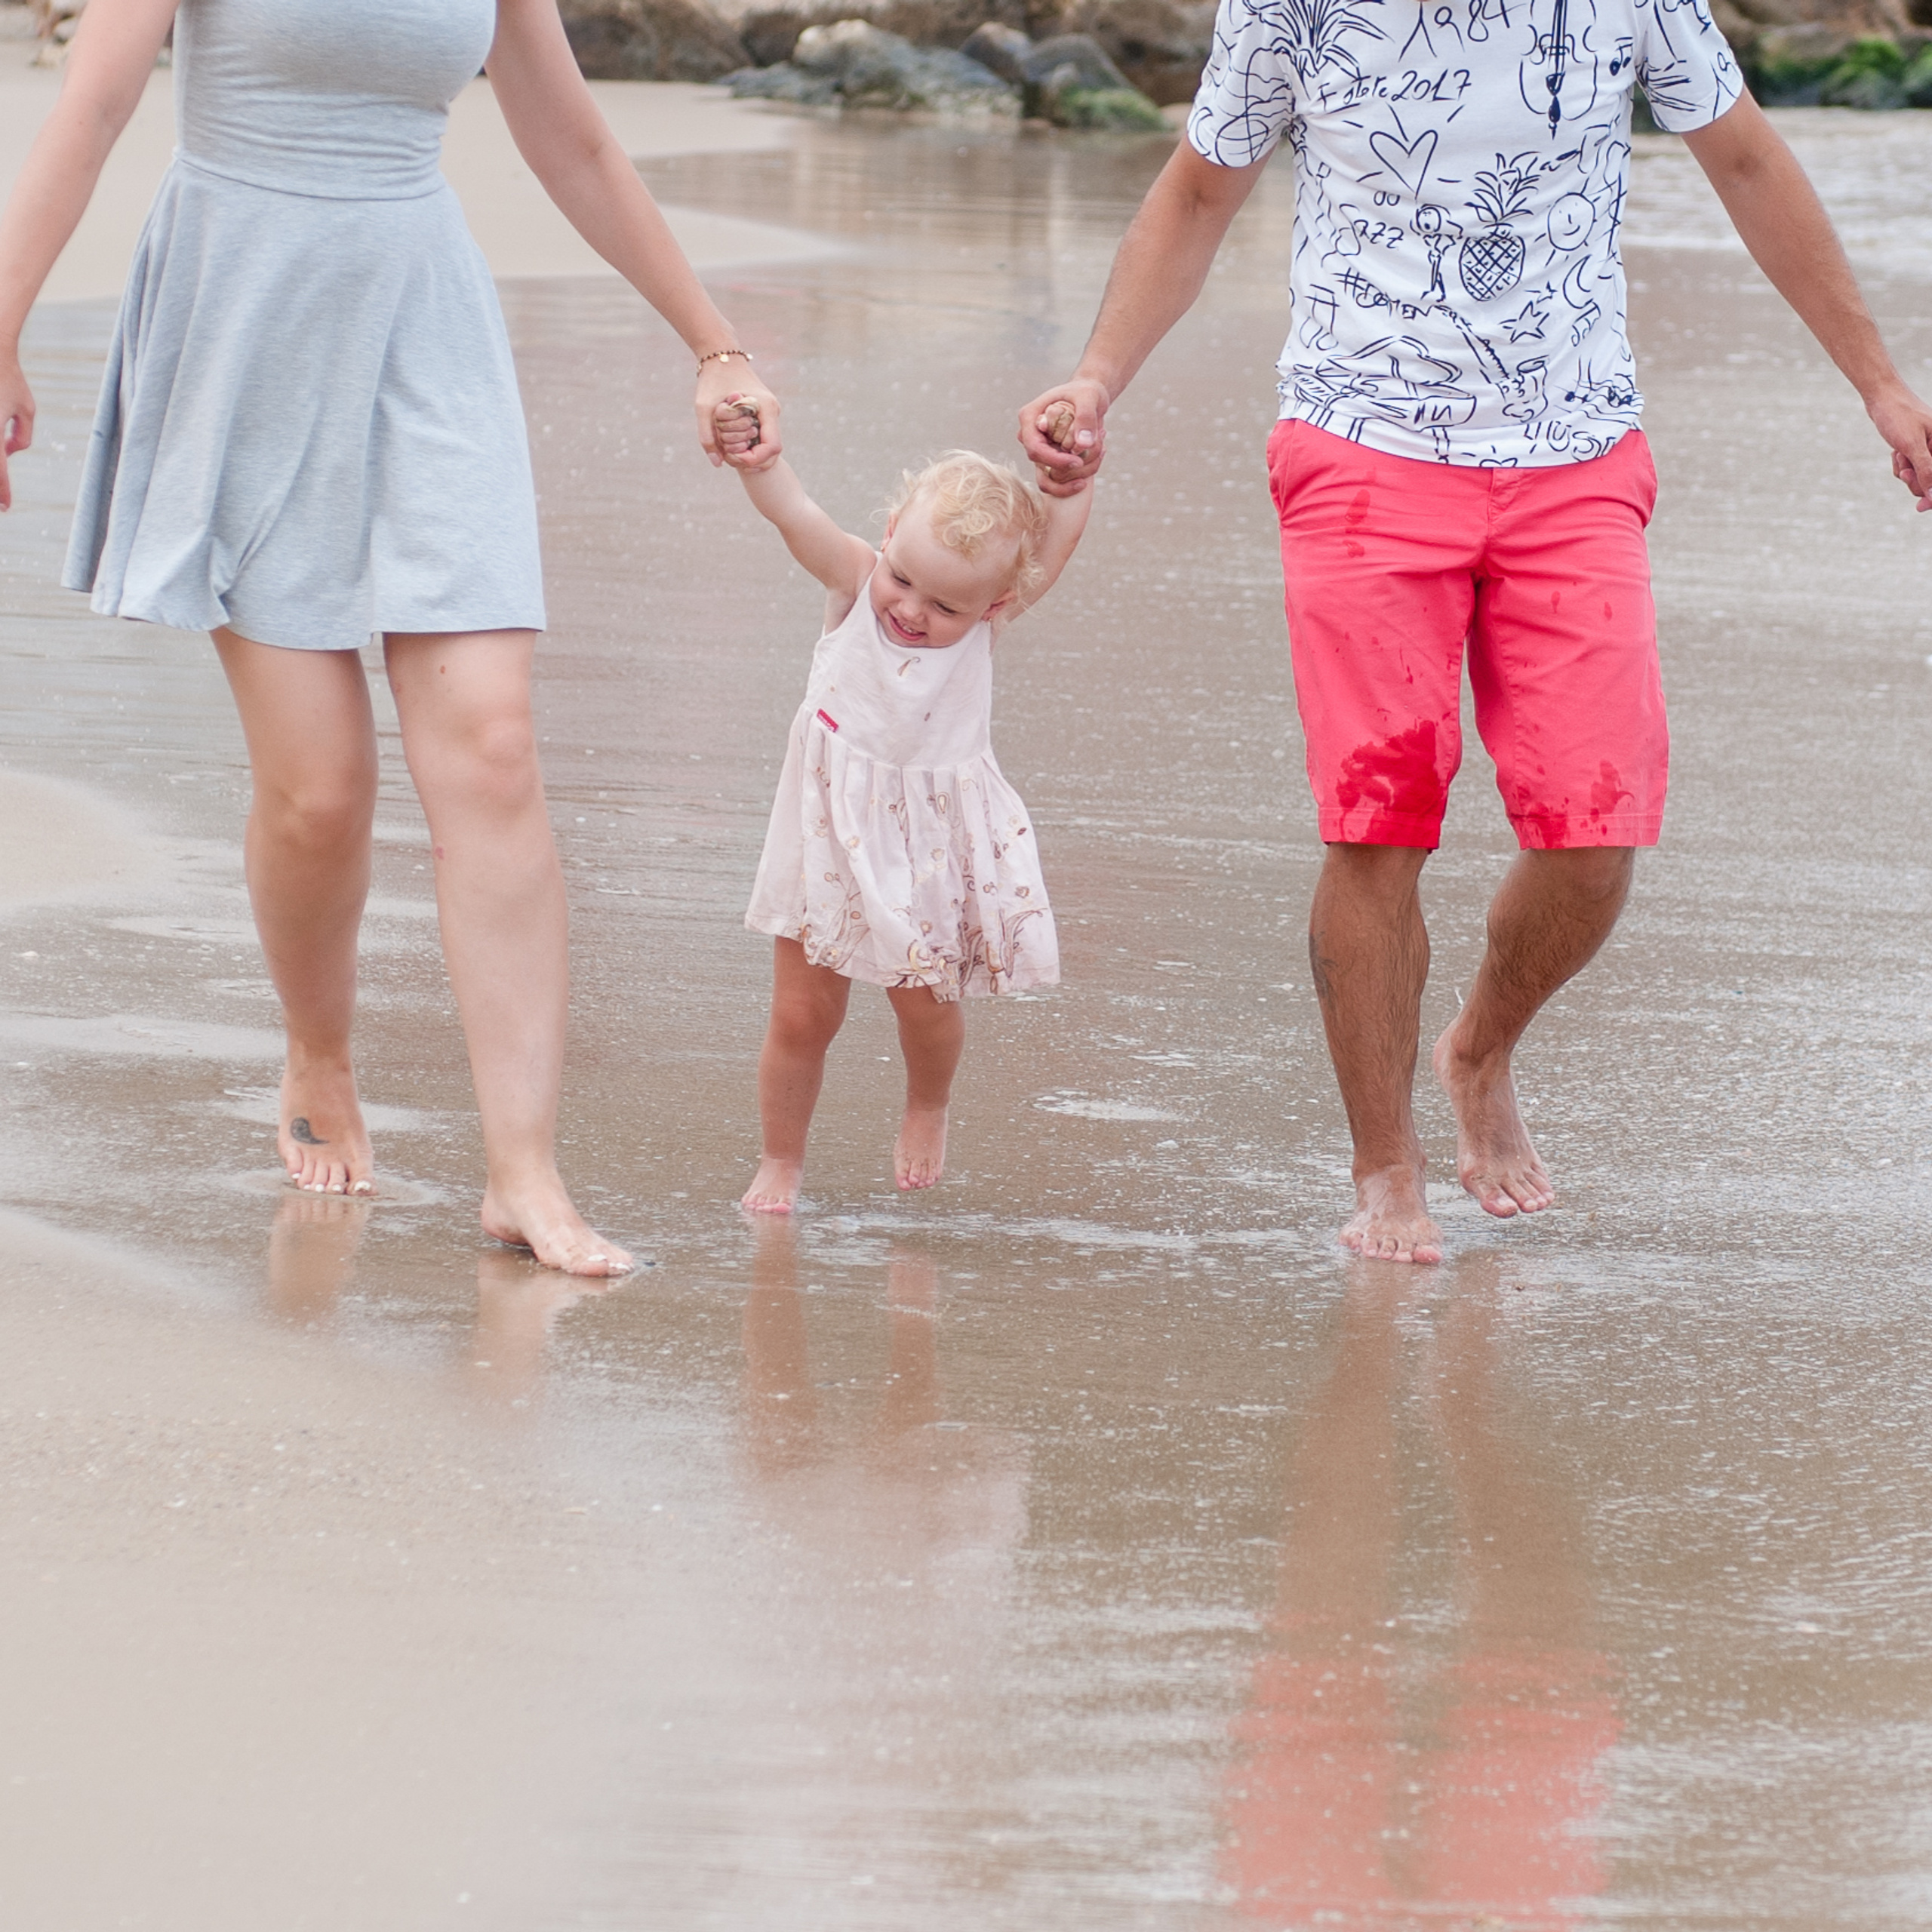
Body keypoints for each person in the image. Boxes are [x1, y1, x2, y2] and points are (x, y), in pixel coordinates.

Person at [1017, 0, 1932, 1264]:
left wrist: (1878, 379)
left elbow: (1747, 160)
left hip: (1578, 451)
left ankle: (1482, 1047)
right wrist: (1097, 378)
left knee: (1597, 829)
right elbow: (1196, 194)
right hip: (1359, 441)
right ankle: (1385, 1172)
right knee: (1378, 824)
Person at [0, 0, 783, 1274]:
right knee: (321, 793)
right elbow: (93, 104)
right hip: (244, 316)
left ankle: (523, 1172)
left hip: (426, 321)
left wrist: (716, 344)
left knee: (492, 745)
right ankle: (318, 1044)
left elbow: (572, 138)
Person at [714, 409, 1090, 1211]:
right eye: (905, 578)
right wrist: (759, 464)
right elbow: (797, 516)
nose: (913, 611)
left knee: (928, 1012)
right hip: (825, 838)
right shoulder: (856, 586)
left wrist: (1073, 481)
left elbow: (1049, 554)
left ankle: (928, 1102)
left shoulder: (983, 630)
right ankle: (780, 1158)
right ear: (887, 537)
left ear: (992, 608)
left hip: (924, 848)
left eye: (947, 606)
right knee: (800, 1017)